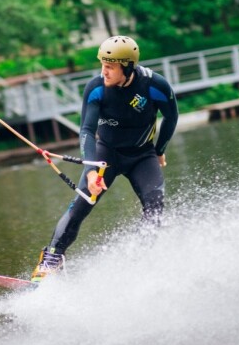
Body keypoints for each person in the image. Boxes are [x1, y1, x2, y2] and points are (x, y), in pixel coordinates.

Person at [31, 35, 179, 283]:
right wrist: (90, 171)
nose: (104, 71)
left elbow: (171, 117)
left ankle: (140, 262)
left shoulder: (155, 86)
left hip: (142, 155)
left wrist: (160, 150)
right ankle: (51, 260)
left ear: (128, 66)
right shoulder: (96, 88)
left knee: (155, 207)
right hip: (105, 156)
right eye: (102, 65)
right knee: (81, 204)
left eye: (110, 67)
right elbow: (87, 130)